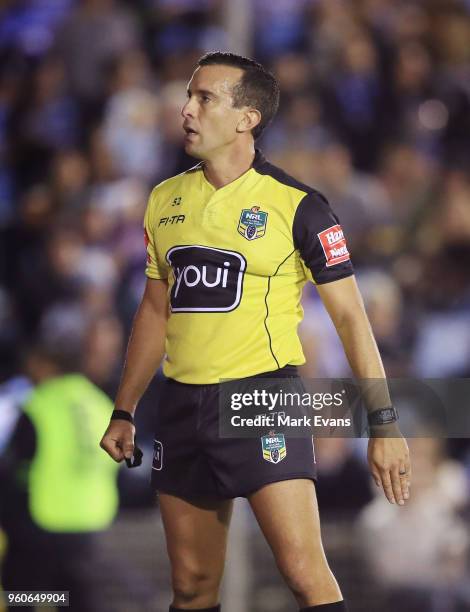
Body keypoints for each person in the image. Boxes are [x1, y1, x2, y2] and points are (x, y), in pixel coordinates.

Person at [100, 52, 411, 612]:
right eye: (188, 96)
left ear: (247, 119)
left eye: (204, 98)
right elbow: (154, 310)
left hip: (262, 399)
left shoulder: (300, 207)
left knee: (303, 574)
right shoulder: (164, 199)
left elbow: (351, 319)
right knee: (192, 586)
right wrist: (124, 409)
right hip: (182, 404)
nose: (185, 109)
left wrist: (384, 424)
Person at [1, 340, 119, 612]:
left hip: (40, 521)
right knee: (76, 599)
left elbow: (18, 464)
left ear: (47, 366)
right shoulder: (100, 404)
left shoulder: (41, 404)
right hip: (89, 523)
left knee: (22, 596)